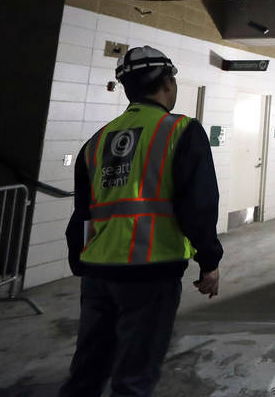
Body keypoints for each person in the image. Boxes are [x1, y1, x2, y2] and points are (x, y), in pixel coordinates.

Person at [60, 46, 223, 397]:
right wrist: (209, 262)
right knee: (134, 377)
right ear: (168, 83)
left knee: (86, 371)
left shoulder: (97, 141)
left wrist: (81, 261)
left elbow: (83, 212)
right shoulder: (181, 131)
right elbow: (199, 206)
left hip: (98, 271)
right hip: (151, 271)